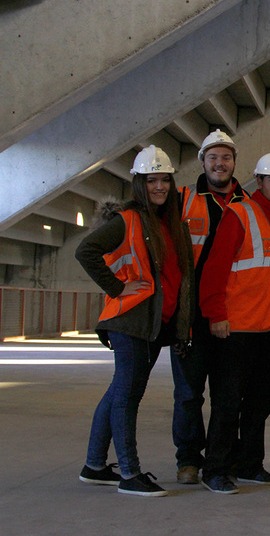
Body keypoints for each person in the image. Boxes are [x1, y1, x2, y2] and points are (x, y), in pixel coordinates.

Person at [76, 145, 194, 497]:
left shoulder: (171, 223)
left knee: (118, 392)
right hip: (131, 321)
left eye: (164, 180)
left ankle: (94, 465)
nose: (159, 187)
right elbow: (85, 251)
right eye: (151, 180)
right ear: (139, 184)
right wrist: (117, 287)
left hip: (156, 323)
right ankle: (129, 473)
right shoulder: (127, 220)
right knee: (128, 397)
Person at [199, 151, 270, 494]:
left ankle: (250, 464)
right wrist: (217, 315)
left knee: (260, 401)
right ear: (260, 181)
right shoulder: (239, 214)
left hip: (267, 328)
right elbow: (214, 269)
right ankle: (215, 469)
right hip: (236, 327)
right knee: (227, 403)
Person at [172, 129, 247, 485]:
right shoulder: (183, 200)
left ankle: (222, 459)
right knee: (188, 394)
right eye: (213, 158)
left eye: (226, 157)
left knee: (227, 395)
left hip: (230, 317)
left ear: (234, 163)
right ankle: (188, 458)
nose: (220, 164)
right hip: (189, 317)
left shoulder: (246, 203)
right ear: (202, 162)